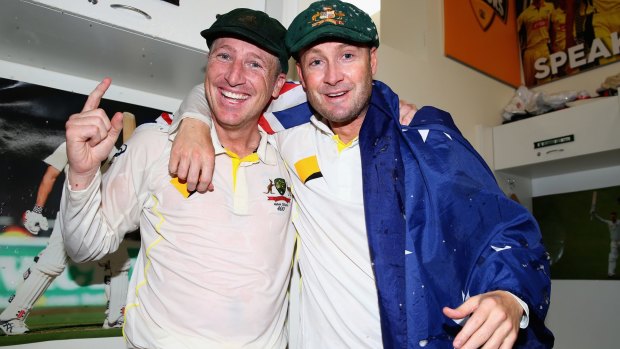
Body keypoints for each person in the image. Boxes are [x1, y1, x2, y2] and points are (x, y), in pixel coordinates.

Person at [168, 1, 555, 348]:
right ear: (300, 78)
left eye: (347, 56)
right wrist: (193, 120)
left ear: (373, 62)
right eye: (316, 61)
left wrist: (509, 296)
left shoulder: (422, 140)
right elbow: (230, 89)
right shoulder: (285, 135)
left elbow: (505, 230)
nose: (333, 76)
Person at [60, 9, 296, 348]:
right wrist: (82, 173)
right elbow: (85, 248)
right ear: (208, 62)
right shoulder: (154, 143)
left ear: (277, 85)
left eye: (254, 64)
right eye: (224, 55)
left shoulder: (289, 159)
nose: (233, 76)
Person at [0, 140, 131, 335]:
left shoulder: (111, 149)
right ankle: (11, 317)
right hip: (73, 213)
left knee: (119, 261)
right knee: (50, 264)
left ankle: (116, 317)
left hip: (104, 213)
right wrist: (37, 210)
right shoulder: (70, 144)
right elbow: (50, 177)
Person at [566, 0, 620, 65]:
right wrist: (570, 41)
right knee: (609, 63)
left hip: (608, 15)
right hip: (599, 20)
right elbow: (571, 7)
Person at [517, 0, 554, 86]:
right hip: (529, 51)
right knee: (528, 84)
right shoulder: (525, 14)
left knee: (545, 82)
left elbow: (553, 28)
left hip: (543, 48)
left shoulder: (550, 7)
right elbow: (513, 32)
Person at [591, 211, 620, 277]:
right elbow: (601, 220)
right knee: (612, 257)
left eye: (614, 216)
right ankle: (610, 273)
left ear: (616, 216)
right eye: (611, 216)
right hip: (613, 243)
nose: (613, 217)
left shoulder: (619, 222)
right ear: (610, 217)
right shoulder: (608, 223)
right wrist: (594, 214)